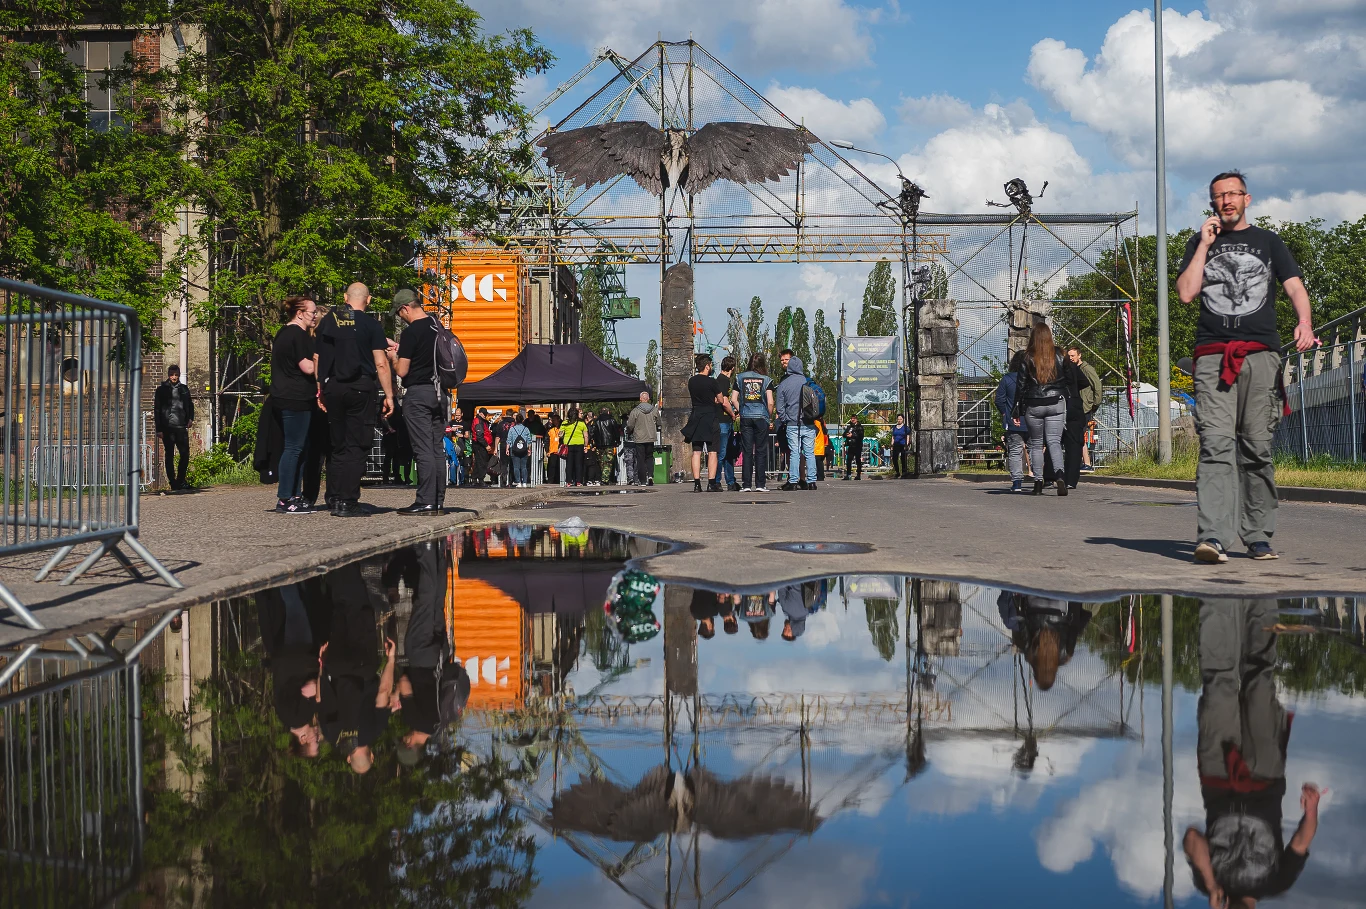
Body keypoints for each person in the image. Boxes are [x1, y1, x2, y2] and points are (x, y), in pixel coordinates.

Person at [1177, 171, 1316, 564]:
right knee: (1216, 445)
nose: (1226, 201)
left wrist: (1303, 322)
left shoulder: (1269, 242)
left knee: (1257, 447)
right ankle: (1213, 537)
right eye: (1219, 196)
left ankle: (1257, 534)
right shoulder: (1199, 242)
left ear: (1247, 198)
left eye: (1233, 194)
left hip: (1260, 355)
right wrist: (1204, 245)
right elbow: (1187, 293)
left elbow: (1294, 287)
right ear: (1212, 203)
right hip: (1212, 357)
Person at [1184, 599, 1320, 905]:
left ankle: (1217, 595)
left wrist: (1210, 881)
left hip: (1218, 772)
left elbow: (1192, 838)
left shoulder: (1208, 883)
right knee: (1259, 683)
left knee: (1219, 684)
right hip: (1266, 773)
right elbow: (1302, 840)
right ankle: (1261, 598)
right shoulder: (1277, 882)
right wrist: (1311, 808)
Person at [314, 282, 394, 517]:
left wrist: (320, 390)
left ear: (345, 298)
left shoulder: (329, 320)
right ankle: (349, 502)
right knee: (357, 445)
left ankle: (336, 498)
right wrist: (389, 395)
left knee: (338, 445)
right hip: (361, 388)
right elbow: (381, 363)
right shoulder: (371, 324)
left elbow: (318, 357)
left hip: (334, 387)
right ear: (368, 300)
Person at [386, 289, 450, 515]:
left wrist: (393, 357)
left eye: (399, 313)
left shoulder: (412, 332)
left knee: (422, 449)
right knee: (436, 449)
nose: (400, 317)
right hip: (440, 394)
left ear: (405, 308)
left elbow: (403, 370)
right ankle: (438, 501)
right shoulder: (437, 326)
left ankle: (424, 501)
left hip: (419, 393)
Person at [1017, 322, 1078, 497]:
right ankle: (1059, 475)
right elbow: (1069, 378)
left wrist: (1017, 409)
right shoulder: (1060, 354)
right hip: (1056, 402)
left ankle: (1037, 482)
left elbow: (1020, 385)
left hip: (1034, 403)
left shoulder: (1027, 357)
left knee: (1036, 444)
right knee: (1054, 441)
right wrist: (1065, 395)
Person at [269, 296, 318, 513]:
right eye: (312, 312)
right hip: (295, 398)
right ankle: (285, 498)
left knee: (298, 448)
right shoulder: (298, 335)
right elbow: (307, 367)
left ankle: (294, 495)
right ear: (299, 313)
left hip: (285, 396)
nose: (315, 316)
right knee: (294, 448)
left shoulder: (283, 332)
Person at [682, 353, 733, 492]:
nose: (711, 367)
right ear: (706, 366)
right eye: (710, 365)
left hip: (696, 416)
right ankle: (711, 483)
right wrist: (715, 399)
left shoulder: (691, 381)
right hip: (711, 417)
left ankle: (697, 484)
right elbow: (721, 400)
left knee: (696, 452)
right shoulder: (712, 382)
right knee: (712, 452)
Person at [733, 352, 775, 492]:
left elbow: (733, 399)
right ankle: (760, 484)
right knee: (761, 450)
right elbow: (770, 402)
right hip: (761, 417)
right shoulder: (767, 380)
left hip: (746, 416)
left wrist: (742, 410)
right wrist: (768, 416)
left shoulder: (739, 378)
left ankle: (746, 485)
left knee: (747, 451)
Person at [775, 352, 817, 490]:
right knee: (810, 452)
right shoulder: (808, 381)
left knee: (794, 452)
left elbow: (780, 407)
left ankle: (793, 481)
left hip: (792, 423)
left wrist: (786, 419)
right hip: (809, 422)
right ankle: (811, 481)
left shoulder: (784, 383)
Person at [1062, 346, 1103, 488]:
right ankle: (1082, 462)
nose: (1071, 358)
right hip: (1076, 407)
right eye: (1069, 356)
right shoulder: (1071, 368)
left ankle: (1087, 463)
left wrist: (1094, 404)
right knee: (1078, 437)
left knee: (1081, 437)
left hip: (1084, 407)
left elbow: (1097, 386)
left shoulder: (1086, 369)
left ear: (1079, 355)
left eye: (1073, 355)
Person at [154, 364, 195, 490]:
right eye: (172, 375)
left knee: (184, 454)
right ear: (168, 375)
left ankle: (181, 480)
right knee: (169, 455)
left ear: (179, 375)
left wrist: (190, 418)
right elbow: (157, 410)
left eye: (176, 375)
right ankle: (173, 482)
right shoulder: (161, 390)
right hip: (168, 427)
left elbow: (190, 404)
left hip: (181, 427)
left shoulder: (184, 389)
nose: (174, 377)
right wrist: (159, 429)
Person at [995, 352, 1028, 492]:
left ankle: (1017, 482)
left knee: (1015, 451)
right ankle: (1039, 478)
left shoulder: (1006, 379)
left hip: (1013, 420)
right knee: (1035, 449)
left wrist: (1005, 413)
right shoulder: (1033, 379)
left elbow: (999, 400)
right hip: (1032, 419)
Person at [625, 391, 662, 486]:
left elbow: (630, 425)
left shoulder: (635, 411)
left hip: (639, 438)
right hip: (650, 437)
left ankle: (642, 480)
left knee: (640, 459)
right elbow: (659, 423)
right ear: (648, 399)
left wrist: (629, 431)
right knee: (649, 457)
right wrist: (657, 428)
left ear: (640, 399)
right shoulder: (654, 410)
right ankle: (650, 475)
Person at [714, 356, 740, 491]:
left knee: (727, 453)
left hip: (723, 421)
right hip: (723, 421)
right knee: (723, 453)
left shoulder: (718, 380)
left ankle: (730, 481)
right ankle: (717, 481)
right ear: (732, 368)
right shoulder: (724, 381)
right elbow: (724, 402)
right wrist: (733, 414)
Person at [591, 407, 621, 485]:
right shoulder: (612, 420)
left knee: (601, 462)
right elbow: (616, 432)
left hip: (599, 445)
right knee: (608, 462)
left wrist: (593, 442)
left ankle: (604, 477)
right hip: (610, 444)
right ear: (608, 412)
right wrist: (617, 441)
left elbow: (592, 432)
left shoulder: (596, 421)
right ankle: (605, 478)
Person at [561, 407, 589, 487]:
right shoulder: (581, 423)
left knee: (569, 464)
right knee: (579, 464)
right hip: (579, 444)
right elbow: (586, 436)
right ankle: (579, 482)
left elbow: (561, 434)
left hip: (568, 445)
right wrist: (585, 445)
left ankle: (569, 482)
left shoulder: (565, 423)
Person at [506, 413, 534, 487]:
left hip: (514, 450)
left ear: (515, 420)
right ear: (522, 420)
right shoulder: (526, 429)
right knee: (524, 466)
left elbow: (509, 440)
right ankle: (524, 482)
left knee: (516, 467)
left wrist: (507, 449)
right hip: (524, 450)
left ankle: (518, 482)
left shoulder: (512, 429)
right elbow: (529, 440)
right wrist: (529, 449)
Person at [469, 408, 494, 487]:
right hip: (480, 445)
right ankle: (481, 480)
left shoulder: (481, 421)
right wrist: (486, 445)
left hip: (480, 444)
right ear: (480, 413)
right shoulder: (478, 421)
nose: (485, 415)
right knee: (482, 463)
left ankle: (474, 479)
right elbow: (479, 436)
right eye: (484, 414)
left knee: (478, 462)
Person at [842, 415, 864, 480]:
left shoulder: (860, 427)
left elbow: (861, 436)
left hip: (857, 445)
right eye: (851, 419)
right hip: (851, 445)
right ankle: (848, 474)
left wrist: (853, 435)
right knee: (849, 460)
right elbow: (844, 434)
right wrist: (847, 435)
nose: (852, 420)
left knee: (858, 460)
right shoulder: (849, 427)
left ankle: (858, 475)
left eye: (854, 419)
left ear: (856, 419)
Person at [546, 412, 564, 485]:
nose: (553, 421)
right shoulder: (550, 430)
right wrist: (547, 450)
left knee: (559, 467)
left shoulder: (562, 429)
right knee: (551, 467)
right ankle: (551, 480)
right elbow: (546, 441)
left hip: (560, 451)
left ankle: (559, 480)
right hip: (552, 451)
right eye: (552, 420)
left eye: (555, 420)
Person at [890, 413, 909, 478]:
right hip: (896, 444)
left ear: (903, 419)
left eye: (900, 419)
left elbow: (908, 436)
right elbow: (893, 436)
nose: (899, 420)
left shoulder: (905, 428)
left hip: (903, 444)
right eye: (898, 419)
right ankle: (897, 472)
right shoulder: (894, 427)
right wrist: (892, 445)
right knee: (895, 458)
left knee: (903, 458)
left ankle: (904, 472)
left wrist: (907, 444)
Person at [813, 417, 829, 481]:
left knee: (818, 462)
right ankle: (820, 475)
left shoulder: (816, 423)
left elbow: (815, 433)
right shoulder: (822, 423)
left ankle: (820, 476)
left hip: (817, 445)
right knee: (819, 462)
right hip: (821, 446)